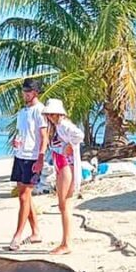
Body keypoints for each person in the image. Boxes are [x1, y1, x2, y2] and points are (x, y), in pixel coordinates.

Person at [7, 78, 48, 251]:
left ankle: (17, 236)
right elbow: (22, 133)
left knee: (25, 196)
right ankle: (36, 232)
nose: (25, 94)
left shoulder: (40, 111)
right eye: (24, 91)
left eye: (28, 91)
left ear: (35, 93)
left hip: (32, 157)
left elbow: (44, 137)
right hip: (20, 155)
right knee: (24, 196)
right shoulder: (22, 112)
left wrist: (40, 158)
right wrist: (15, 143)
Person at [42, 98, 84, 255]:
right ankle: (65, 242)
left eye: (53, 114)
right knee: (63, 204)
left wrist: (70, 145)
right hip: (61, 164)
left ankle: (66, 243)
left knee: (64, 204)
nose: (50, 117)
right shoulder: (57, 127)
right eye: (49, 114)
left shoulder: (64, 125)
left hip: (66, 165)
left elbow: (79, 135)